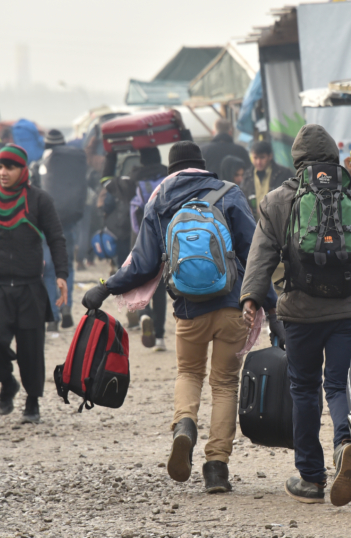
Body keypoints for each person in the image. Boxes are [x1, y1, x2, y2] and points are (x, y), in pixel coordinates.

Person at [81, 141, 278, 494]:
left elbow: (142, 264)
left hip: (189, 309)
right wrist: (272, 307)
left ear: (172, 170)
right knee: (225, 384)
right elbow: (256, 256)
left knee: (189, 373)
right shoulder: (230, 194)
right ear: (202, 166)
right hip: (232, 306)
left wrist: (105, 287)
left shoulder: (160, 200)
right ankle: (216, 468)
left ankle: (184, 427)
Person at [240, 124, 351, 506]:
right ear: (331, 156)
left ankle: (311, 478)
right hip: (347, 310)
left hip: (298, 313)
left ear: (296, 161)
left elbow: (261, 254)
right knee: (340, 386)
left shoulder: (278, 200)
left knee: (303, 388)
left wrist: (250, 297)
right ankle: (344, 441)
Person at [0, 144, 69, 424]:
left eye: (10, 167)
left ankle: (32, 403)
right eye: (0, 167)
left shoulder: (39, 200)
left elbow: (56, 238)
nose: (4, 172)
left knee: (31, 348)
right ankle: (7, 383)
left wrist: (62, 275)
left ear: (23, 170)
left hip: (30, 287)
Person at [34, 129, 88, 332]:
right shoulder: (73, 161)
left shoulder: (43, 162)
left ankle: (53, 318)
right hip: (69, 220)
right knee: (68, 266)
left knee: (49, 270)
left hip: (47, 222)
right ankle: (66, 307)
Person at [128, 149, 169, 350]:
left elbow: (107, 183)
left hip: (141, 242)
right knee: (160, 289)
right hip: (163, 241)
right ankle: (160, 337)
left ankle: (145, 315)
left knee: (142, 284)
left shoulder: (134, 183)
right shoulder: (168, 181)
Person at [241, 140, 294, 220]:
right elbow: (242, 196)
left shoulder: (283, 174)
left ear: (270, 156)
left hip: (278, 222)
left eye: (262, 157)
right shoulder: (247, 176)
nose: (258, 162)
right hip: (254, 224)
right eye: (255, 158)